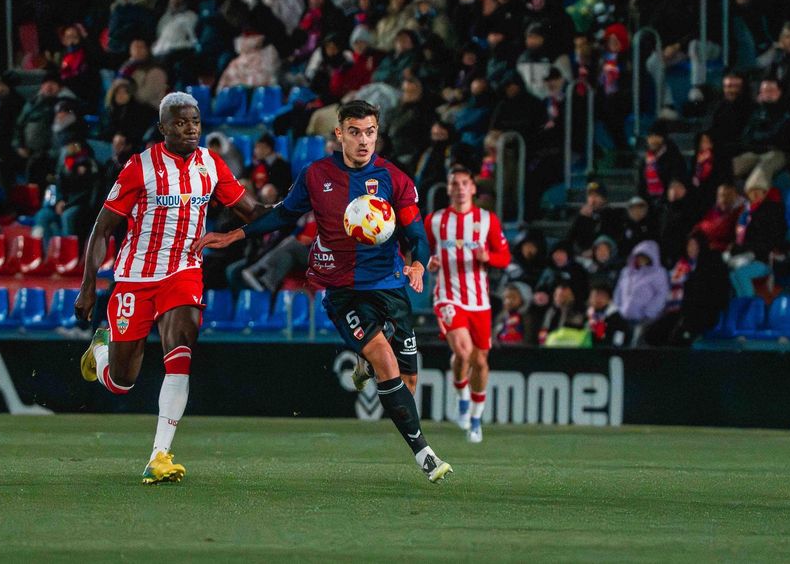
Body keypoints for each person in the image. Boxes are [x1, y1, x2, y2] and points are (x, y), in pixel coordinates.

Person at [193, 100, 453, 483]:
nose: (363, 141)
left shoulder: (395, 179)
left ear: (377, 135)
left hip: (388, 284)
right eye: (355, 132)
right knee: (386, 360)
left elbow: (416, 233)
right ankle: (425, 455)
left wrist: (417, 263)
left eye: (369, 133)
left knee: (407, 382)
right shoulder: (316, 175)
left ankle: (365, 361)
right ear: (339, 133)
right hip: (341, 288)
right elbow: (283, 214)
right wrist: (236, 234)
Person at [74, 92, 266, 485]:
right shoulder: (139, 167)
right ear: (163, 128)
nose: (190, 129)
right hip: (135, 277)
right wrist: (88, 286)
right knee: (122, 382)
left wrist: (298, 207)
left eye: (195, 121)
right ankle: (102, 350)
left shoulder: (211, 164)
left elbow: (252, 212)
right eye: (180, 123)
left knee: (181, 351)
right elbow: (102, 228)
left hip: (184, 272)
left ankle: (159, 454)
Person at [425, 165, 511, 443]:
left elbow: (504, 257)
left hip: (479, 302)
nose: (460, 188)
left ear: (473, 188)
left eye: (465, 183)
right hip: (448, 296)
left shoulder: (487, 220)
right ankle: (462, 396)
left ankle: (475, 417)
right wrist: (428, 262)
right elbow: (419, 250)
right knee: (463, 351)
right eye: (455, 183)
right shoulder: (435, 221)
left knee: (480, 361)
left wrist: (489, 258)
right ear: (448, 189)